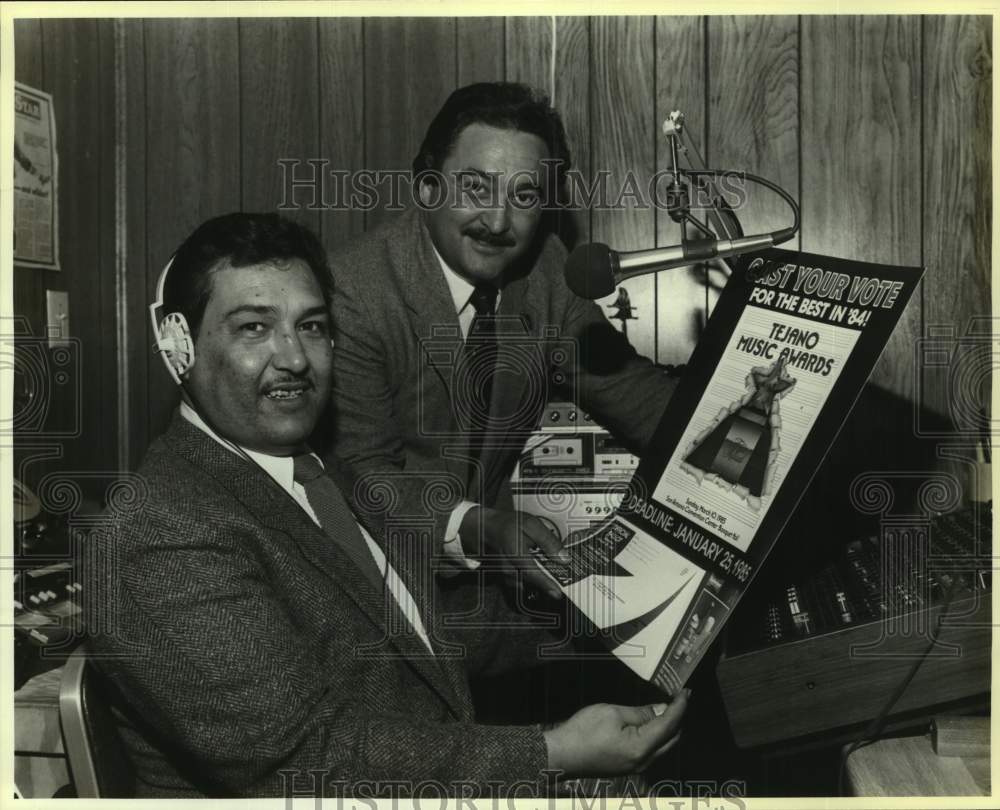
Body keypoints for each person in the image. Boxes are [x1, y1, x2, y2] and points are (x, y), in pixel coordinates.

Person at [82, 212, 688, 798]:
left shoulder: (314, 471)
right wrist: (553, 751)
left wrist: (614, 613)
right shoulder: (159, 533)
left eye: (312, 326)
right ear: (177, 345)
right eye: (254, 328)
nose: (294, 358)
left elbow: (418, 639)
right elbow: (304, 762)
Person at [327, 82, 677, 596]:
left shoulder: (548, 270)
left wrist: (749, 432)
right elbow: (367, 477)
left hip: (486, 584)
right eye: (475, 187)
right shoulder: (353, 292)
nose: (496, 222)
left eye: (524, 196)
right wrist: (478, 526)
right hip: (369, 586)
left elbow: (638, 398)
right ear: (426, 187)